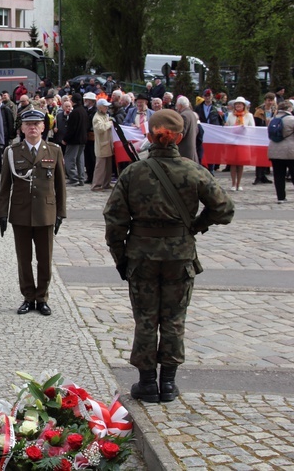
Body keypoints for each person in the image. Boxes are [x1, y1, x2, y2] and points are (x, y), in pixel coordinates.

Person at [104, 109, 234, 403]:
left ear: (149, 136)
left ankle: (148, 384)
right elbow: (225, 209)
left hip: (141, 258)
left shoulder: (133, 173)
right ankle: (170, 384)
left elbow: (114, 220)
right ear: (181, 136)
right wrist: (195, 226)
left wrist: (120, 257)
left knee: (146, 318)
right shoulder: (193, 170)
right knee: (174, 318)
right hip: (180, 257)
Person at [0, 109, 66, 316]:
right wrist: (2, 214)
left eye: (37, 123)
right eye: (28, 124)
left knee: (45, 258)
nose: (33, 127)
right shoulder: (12, 151)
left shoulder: (53, 150)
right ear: (22, 128)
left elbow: (60, 185)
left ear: (44, 127)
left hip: (46, 211)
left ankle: (42, 297)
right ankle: (28, 296)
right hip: (21, 212)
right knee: (24, 258)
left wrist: (61, 212)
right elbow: (5, 186)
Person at [268, 101, 294, 204]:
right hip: (290, 151)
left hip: (275, 150)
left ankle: (281, 197)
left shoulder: (273, 119)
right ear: (289, 109)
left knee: (278, 175)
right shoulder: (293, 119)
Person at [64, 93, 89, 186]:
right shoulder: (84, 111)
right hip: (82, 139)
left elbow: (72, 128)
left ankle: (74, 178)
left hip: (74, 140)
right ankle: (81, 178)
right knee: (80, 159)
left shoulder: (74, 113)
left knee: (69, 159)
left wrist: (66, 138)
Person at [253, 93, 278, 185]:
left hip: (270, 135)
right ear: (265, 100)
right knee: (260, 155)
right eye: (269, 100)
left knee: (267, 156)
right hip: (261, 136)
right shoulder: (259, 111)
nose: (270, 102)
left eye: (272, 100)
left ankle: (263, 174)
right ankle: (258, 176)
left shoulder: (275, 111)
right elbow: (256, 124)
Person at [91, 99, 114, 191]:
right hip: (101, 145)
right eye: (105, 106)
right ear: (100, 107)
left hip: (108, 144)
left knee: (108, 167)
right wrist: (109, 123)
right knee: (100, 167)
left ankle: (106, 183)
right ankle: (96, 185)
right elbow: (100, 128)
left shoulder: (105, 115)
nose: (107, 108)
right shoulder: (96, 117)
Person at [175, 96, 200, 162]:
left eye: (177, 105)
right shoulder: (192, 114)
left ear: (180, 105)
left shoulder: (184, 115)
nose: (177, 107)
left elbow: (181, 133)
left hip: (184, 150)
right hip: (191, 149)